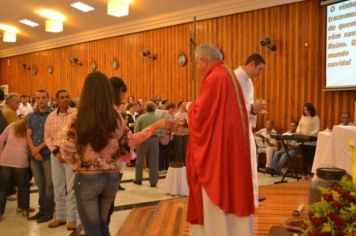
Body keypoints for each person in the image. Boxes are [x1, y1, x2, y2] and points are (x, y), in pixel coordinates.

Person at [183, 44, 254, 235]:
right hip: (228, 145)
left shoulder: (215, 77)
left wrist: (189, 107)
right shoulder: (227, 74)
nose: (197, 69)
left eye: (196, 63)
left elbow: (202, 115)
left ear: (203, 61)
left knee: (217, 188)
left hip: (217, 150)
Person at [61, 72, 122, 236]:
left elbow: (67, 150)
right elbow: (125, 145)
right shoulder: (116, 117)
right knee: (103, 223)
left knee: (92, 229)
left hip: (87, 177)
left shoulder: (77, 117)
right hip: (112, 177)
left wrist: (77, 162)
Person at [234, 53, 266, 207]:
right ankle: (242, 197)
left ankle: (250, 196)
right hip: (237, 130)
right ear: (252, 64)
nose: (259, 74)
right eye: (259, 69)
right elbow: (232, 105)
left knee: (250, 162)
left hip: (245, 128)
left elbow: (247, 105)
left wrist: (253, 110)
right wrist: (252, 108)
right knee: (243, 163)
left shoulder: (248, 81)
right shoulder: (237, 77)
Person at [44, 89, 77, 230]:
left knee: (71, 188)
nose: (64, 99)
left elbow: (79, 134)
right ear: (56, 100)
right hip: (56, 155)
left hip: (71, 155)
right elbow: (47, 137)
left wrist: (69, 152)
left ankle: (71, 218)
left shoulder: (75, 114)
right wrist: (56, 152)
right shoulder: (51, 116)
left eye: (67, 97)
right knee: (57, 187)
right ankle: (60, 216)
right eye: (62, 97)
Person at [26, 89, 54, 223]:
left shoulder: (53, 114)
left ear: (48, 98)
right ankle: (42, 209)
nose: (41, 100)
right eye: (38, 98)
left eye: (43, 97)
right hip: (34, 155)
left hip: (47, 154)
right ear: (35, 100)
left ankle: (49, 211)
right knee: (40, 184)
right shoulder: (31, 116)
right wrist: (33, 150)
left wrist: (38, 149)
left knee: (49, 184)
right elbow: (28, 134)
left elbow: (52, 136)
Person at [0, 116, 31, 219]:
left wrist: (1, 154)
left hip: (5, 159)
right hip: (21, 160)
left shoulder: (12, 125)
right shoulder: (30, 129)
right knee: (23, 186)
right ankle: (24, 209)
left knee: (3, 188)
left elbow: (1, 139)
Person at [134, 101, 161, 187]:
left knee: (140, 160)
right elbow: (161, 131)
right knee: (154, 161)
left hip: (143, 139)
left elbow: (136, 130)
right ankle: (153, 182)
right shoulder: (158, 117)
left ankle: (138, 179)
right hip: (154, 140)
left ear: (146, 108)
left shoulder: (141, 117)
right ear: (154, 108)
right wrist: (158, 136)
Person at [296, 102, 320, 177]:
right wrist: (298, 131)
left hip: (311, 142)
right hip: (303, 141)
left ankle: (311, 174)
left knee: (310, 159)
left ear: (311, 110)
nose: (305, 112)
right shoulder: (303, 117)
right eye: (304, 110)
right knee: (304, 159)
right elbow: (299, 126)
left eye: (307, 110)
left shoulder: (316, 118)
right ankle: (304, 174)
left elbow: (317, 130)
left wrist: (309, 135)